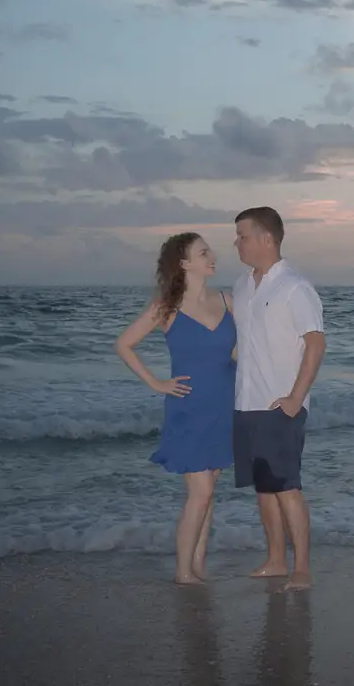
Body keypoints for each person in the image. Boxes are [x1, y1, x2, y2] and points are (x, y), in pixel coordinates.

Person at [115, 231, 237, 585]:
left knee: (210, 491)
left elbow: (233, 354)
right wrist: (156, 383)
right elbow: (124, 345)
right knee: (202, 492)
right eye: (203, 252)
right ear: (184, 264)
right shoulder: (165, 308)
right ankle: (183, 571)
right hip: (189, 408)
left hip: (224, 405)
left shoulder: (228, 301)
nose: (212, 256)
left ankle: (198, 566)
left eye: (209, 251)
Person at [230, 206, 326, 590]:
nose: (236, 243)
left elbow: (315, 345)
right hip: (246, 402)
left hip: (279, 405)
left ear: (267, 239)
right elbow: (243, 345)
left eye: (242, 235)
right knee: (264, 487)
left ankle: (301, 567)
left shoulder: (295, 286)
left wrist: (295, 398)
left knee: (287, 487)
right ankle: (275, 560)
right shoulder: (242, 286)